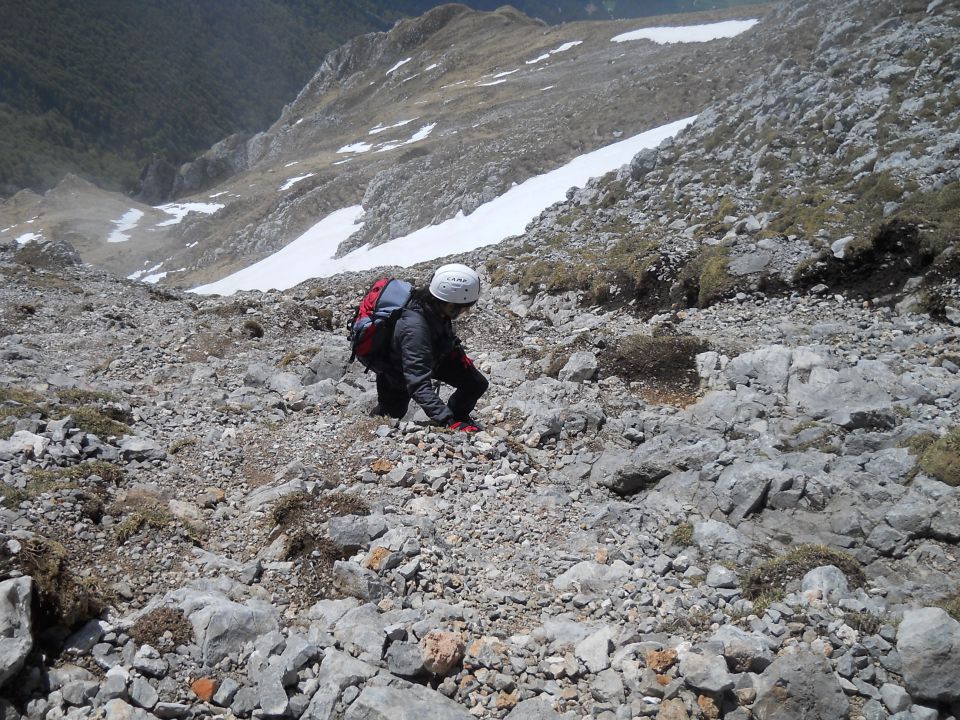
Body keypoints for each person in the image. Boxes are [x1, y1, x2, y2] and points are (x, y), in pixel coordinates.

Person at [372, 263, 488, 431]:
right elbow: (418, 383)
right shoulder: (415, 328)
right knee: (391, 415)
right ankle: (370, 427)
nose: (466, 312)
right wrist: (447, 421)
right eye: (465, 308)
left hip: (431, 357)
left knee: (476, 383)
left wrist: (458, 355)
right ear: (450, 305)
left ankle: (460, 415)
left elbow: (443, 334)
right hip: (399, 372)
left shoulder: (434, 305)